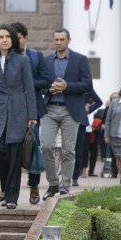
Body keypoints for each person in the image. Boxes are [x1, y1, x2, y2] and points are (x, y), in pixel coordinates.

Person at [0, 24, 37, 210]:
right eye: (0, 37)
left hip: (18, 111)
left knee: (14, 156)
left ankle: (12, 196)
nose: (4, 39)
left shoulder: (22, 60)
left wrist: (32, 115)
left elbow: (29, 88)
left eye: (7, 36)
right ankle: (5, 187)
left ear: (12, 39)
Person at [40, 28, 93, 200]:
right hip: (49, 108)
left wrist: (67, 86)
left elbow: (87, 85)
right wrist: (48, 87)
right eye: (56, 39)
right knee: (46, 146)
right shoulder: (47, 60)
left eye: (62, 39)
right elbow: (40, 82)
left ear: (69, 40)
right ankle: (53, 183)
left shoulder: (80, 60)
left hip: (70, 110)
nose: (59, 42)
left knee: (68, 150)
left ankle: (65, 186)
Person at [11, 22, 51, 205]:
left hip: (32, 110)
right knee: (11, 151)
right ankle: (9, 190)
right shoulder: (4, 57)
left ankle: (34, 185)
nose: (15, 40)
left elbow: (46, 80)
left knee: (32, 148)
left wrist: (26, 83)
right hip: (10, 110)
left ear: (25, 37)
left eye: (18, 36)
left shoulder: (35, 56)